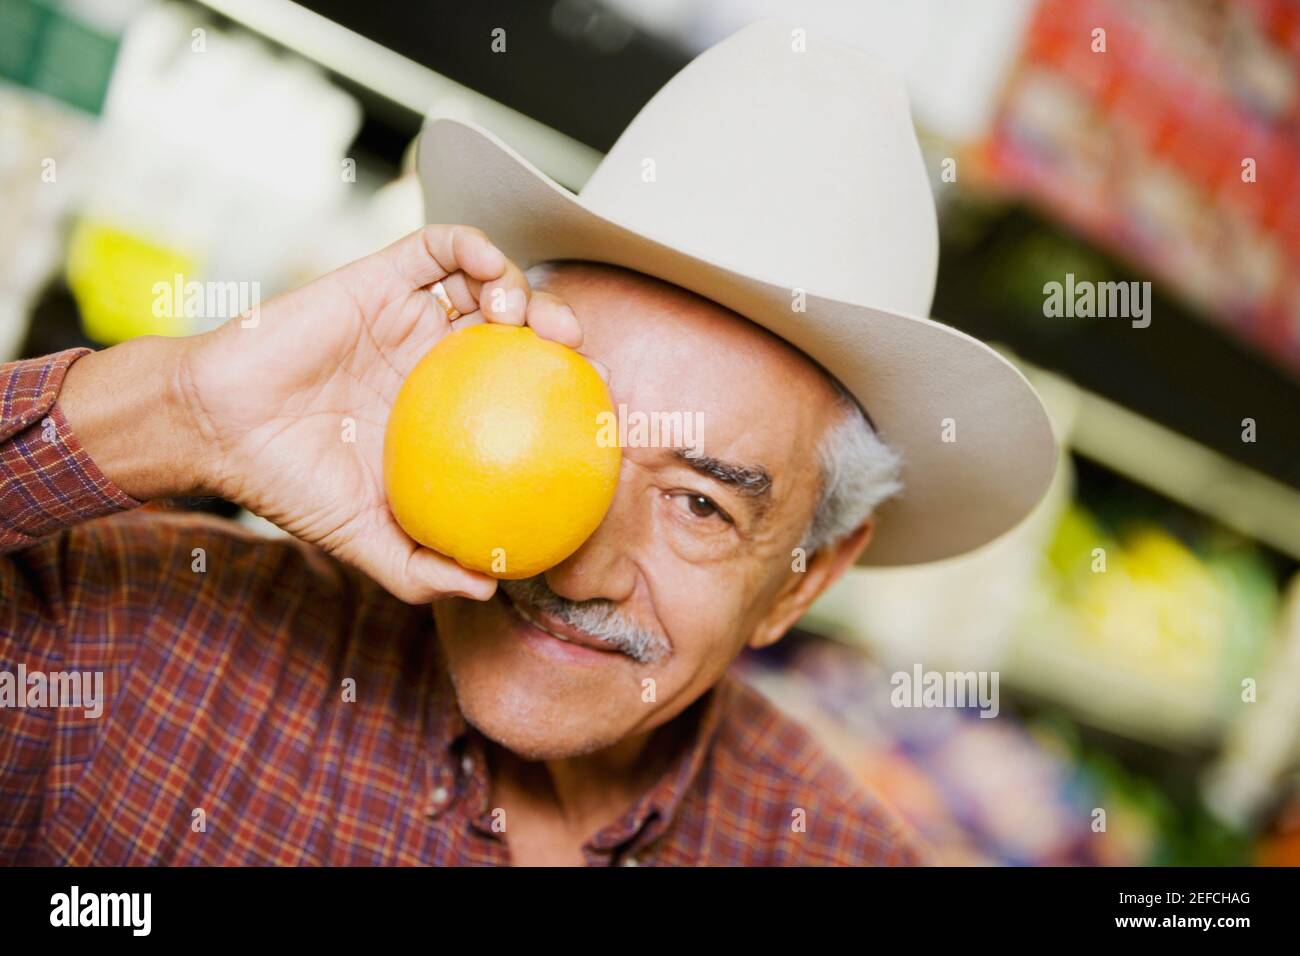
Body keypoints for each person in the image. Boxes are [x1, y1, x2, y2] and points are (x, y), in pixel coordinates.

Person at [0, 22, 1053, 866]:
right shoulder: (127, 650)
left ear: (800, 580)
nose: (577, 562)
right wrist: (184, 409)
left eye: (701, 502)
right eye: (566, 431)